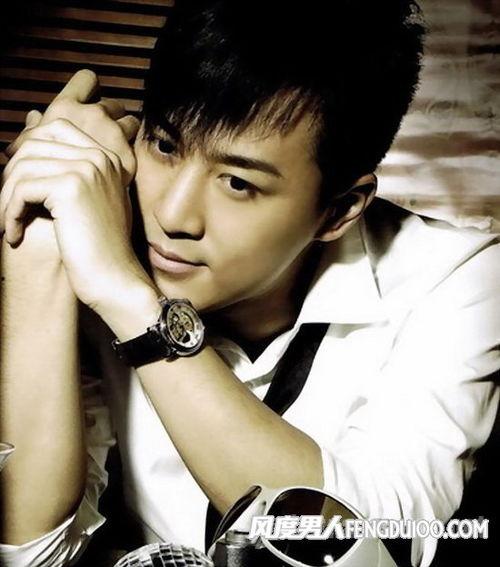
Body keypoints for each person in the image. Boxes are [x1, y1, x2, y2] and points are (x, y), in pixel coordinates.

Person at [0, 1, 498, 566]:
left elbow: (367, 549)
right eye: (165, 146)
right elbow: (33, 556)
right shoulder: (97, 237)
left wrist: (130, 301)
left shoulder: (456, 277)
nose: (173, 215)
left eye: (237, 183)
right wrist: (39, 238)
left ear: (339, 209)